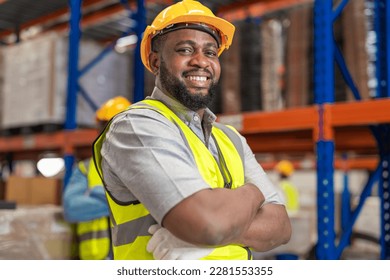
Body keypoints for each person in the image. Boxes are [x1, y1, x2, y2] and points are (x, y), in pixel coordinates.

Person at [93, 0, 291, 260]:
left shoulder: (231, 138)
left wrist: (218, 234)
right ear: (155, 61)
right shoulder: (135, 126)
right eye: (185, 49)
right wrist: (253, 193)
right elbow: (207, 224)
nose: (201, 62)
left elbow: (281, 227)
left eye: (210, 53)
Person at [63, 96, 131, 260]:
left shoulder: (145, 165)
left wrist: (97, 193)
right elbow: (72, 208)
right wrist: (123, 201)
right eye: (105, 127)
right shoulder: (85, 169)